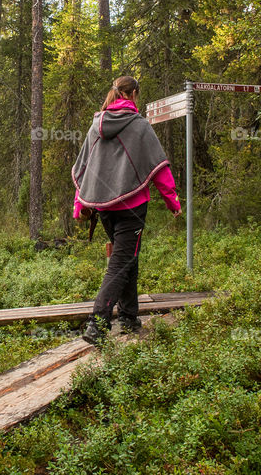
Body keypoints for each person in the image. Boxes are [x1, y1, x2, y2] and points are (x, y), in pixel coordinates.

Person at [71, 75, 181, 346]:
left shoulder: (95, 126)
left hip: (104, 208)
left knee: (128, 258)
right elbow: (160, 168)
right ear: (133, 95)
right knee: (121, 263)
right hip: (132, 207)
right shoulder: (140, 126)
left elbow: (85, 168)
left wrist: (79, 205)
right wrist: (173, 202)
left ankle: (130, 317)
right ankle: (97, 323)